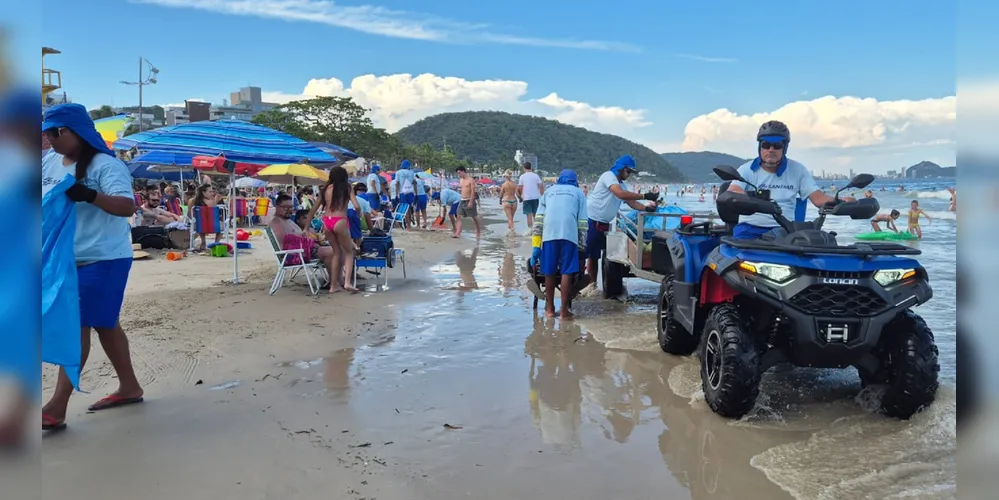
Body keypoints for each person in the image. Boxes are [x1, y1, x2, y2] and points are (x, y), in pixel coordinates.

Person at [40, 103, 144, 431]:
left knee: (78, 324)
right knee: (105, 323)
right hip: (65, 258)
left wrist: (87, 194)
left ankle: (55, 408)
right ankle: (130, 387)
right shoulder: (49, 161)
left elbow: (127, 206)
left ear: (75, 132)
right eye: (46, 132)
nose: (49, 138)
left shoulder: (105, 165)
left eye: (55, 132)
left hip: (105, 258)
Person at [725, 121, 854, 239]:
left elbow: (818, 198)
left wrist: (841, 201)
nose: (771, 150)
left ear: (784, 147)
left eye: (777, 145)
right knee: (738, 256)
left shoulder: (798, 170)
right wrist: (742, 198)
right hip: (749, 228)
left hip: (784, 230)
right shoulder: (746, 169)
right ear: (760, 147)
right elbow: (734, 190)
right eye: (766, 145)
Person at [581, 155, 658, 295]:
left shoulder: (622, 184)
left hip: (604, 223)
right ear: (621, 168)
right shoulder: (608, 176)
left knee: (596, 254)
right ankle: (580, 284)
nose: (629, 175)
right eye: (628, 172)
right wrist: (645, 196)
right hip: (592, 220)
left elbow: (631, 202)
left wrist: (646, 208)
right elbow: (621, 194)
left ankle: (592, 284)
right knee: (587, 254)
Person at [530, 170, 587, 319]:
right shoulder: (578, 193)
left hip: (549, 233)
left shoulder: (549, 192)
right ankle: (563, 312)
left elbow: (539, 220)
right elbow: (582, 223)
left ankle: (549, 310)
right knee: (566, 271)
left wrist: (536, 246)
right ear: (575, 181)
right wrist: (582, 247)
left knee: (548, 271)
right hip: (569, 233)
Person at [308, 166, 362, 293]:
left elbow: (313, 210)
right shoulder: (347, 187)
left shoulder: (326, 188)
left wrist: (306, 227)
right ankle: (347, 282)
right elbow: (356, 205)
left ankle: (333, 286)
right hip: (340, 221)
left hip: (327, 222)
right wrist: (358, 214)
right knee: (349, 252)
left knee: (337, 253)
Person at [269, 194, 335, 284]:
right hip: (294, 254)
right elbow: (284, 242)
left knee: (337, 250)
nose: (289, 210)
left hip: (302, 249)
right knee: (330, 252)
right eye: (285, 207)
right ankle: (334, 282)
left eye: (291, 207)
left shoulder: (287, 220)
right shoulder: (277, 222)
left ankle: (338, 280)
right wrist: (305, 240)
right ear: (277, 207)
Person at [455, 166, 482, 239]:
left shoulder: (471, 180)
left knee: (474, 217)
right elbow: (462, 190)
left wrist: (471, 202)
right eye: (458, 173)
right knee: (458, 216)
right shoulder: (461, 180)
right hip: (462, 200)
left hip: (469, 200)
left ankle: (478, 232)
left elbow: (473, 191)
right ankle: (457, 232)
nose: (459, 174)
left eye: (459, 173)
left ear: (463, 171)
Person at [518, 161, 544, 234]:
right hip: (536, 197)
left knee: (528, 215)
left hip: (526, 198)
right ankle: (537, 230)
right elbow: (541, 187)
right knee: (535, 214)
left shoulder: (522, 176)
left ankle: (530, 230)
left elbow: (520, 188)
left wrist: (520, 196)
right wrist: (543, 196)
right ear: (531, 167)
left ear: (524, 168)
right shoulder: (536, 176)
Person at [396, 159, 417, 229]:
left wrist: (396, 194)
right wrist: (416, 193)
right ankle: (409, 224)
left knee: (405, 209)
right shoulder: (411, 173)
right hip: (410, 192)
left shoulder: (398, 172)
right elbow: (414, 183)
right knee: (410, 208)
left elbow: (397, 183)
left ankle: (408, 226)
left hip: (402, 193)